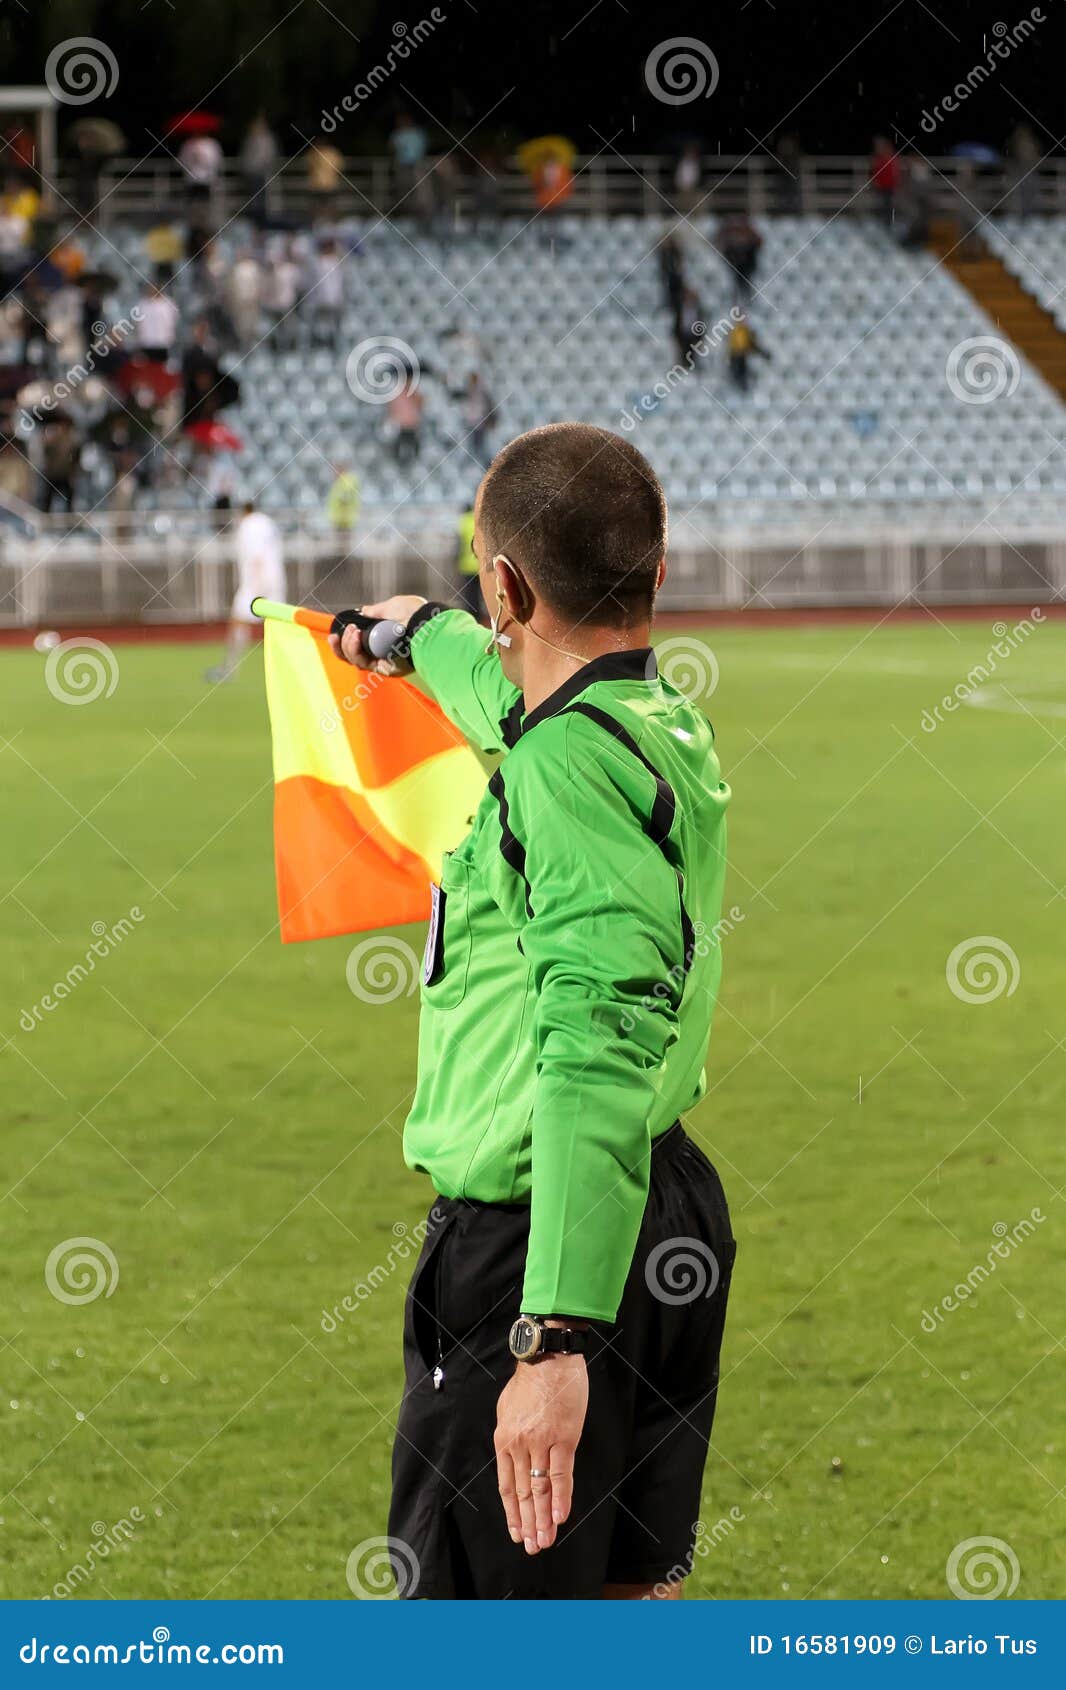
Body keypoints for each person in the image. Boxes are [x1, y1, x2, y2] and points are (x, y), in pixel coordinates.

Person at [330, 421, 734, 1601]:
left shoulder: (556, 772)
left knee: (479, 1644)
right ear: (654, 573)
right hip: (664, 1205)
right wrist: (425, 637)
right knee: (618, 1613)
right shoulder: (644, 726)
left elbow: (594, 1049)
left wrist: (551, 1343)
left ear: (506, 582)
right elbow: (524, 705)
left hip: (538, 1244)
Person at [206, 500, 285, 682]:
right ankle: (286, 671)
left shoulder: (249, 525)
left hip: (256, 581)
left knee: (238, 621)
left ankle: (229, 668)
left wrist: (256, 586)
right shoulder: (267, 522)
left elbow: (257, 555)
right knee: (278, 626)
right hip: (275, 579)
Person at [134, 283, 180, 364]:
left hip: (163, 342)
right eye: (150, 289)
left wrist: (169, 336)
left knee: (161, 366)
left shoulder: (168, 303)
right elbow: (138, 322)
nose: (152, 291)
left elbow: (173, 320)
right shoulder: (142, 304)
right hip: (147, 342)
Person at [727, 312, 770, 392]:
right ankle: (739, 386)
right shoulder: (735, 330)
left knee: (742, 373)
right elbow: (734, 345)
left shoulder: (745, 330)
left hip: (742, 355)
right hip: (736, 356)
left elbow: (751, 343)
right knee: (738, 373)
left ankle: (743, 387)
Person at [454, 499, 481, 617]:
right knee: (482, 593)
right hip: (480, 565)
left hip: (466, 566)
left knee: (470, 595)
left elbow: (458, 545)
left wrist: (455, 560)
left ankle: (473, 617)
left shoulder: (463, 522)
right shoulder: (478, 520)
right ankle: (484, 615)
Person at [389, 377, 423, 465]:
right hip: (406, 424)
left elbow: (419, 402)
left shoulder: (410, 394)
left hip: (410, 424)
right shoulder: (399, 395)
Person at [326, 461, 360, 542]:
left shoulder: (347, 480)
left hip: (344, 519)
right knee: (340, 543)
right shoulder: (339, 481)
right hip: (339, 518)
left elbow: (345, 498)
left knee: (343, 543)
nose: (333, 472)